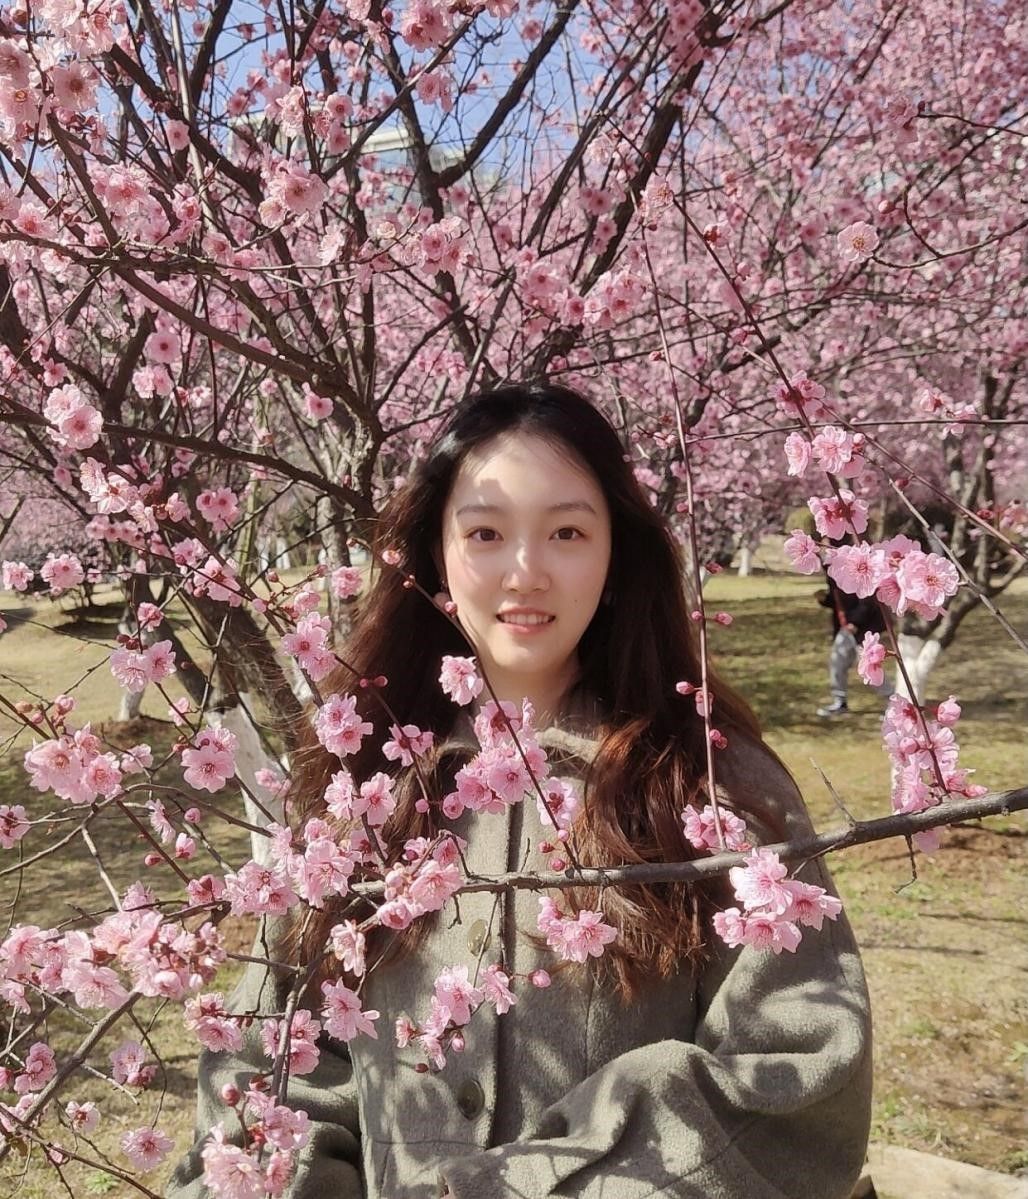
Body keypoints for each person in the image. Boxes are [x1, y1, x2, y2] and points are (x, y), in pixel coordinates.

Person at [170, 383, 872, 1199]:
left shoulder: (708, 784)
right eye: (486, 533)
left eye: (567, 531)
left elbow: (798, 1077)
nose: (526, 571)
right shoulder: (360, 786)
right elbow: (275, 1064)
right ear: (434, 553)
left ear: (616, 553)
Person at [815, 573, 892, 717]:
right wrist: (825, 600)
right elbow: (840, 600)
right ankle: (840, 701)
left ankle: (891, 701)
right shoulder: (833, 574)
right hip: (847, 627)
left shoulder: (854, 572)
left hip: (864, 626)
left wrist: (855, 622)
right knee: (837, 662)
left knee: (870, 666)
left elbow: (868, 599)